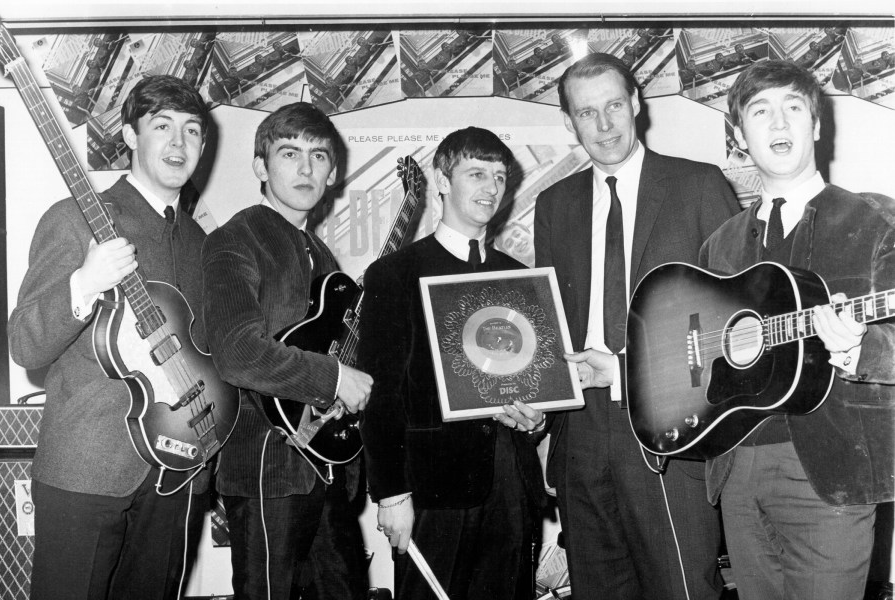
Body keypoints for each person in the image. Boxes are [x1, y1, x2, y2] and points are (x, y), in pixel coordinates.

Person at [532, 53, 740, 599]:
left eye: (614, 107)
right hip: (579, 436)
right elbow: (549, 326)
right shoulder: (554, 204)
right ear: (569, 123)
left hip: (669, 428)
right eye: (586, 114)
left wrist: (625, 373)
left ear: (637, 104)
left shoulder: (698, 186)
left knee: (681, 590)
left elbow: (732, 322)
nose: (603, 127)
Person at [9, 74, 212, 599]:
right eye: (161, 126)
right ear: (128, 135)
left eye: (192, 131)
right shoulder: (76, 218)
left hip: (176, 471)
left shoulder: (199, 241)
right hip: (86, 470)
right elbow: (25, 345)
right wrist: (84, 284)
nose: (178, 143)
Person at [698, 59, 895, 600]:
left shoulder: (874, 222)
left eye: (793, 108)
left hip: (831, 472)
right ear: (739, 135)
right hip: (736, 470)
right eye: (760, 112)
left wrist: (861, 350)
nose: (779, 124)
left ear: (815, 124)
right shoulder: (720, 245)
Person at [358, 126, 547, 600]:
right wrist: (391, 494)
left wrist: (537, 419)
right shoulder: (394, 274)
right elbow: (380, 394)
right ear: (442, 180)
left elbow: (536, 383)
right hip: (431, 491)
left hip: (511, 485)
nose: (490, 189)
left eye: (500, 177)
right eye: (476, 174)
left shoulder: (521, 278)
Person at [201, 102, 373, 599]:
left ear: (333, 172)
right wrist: (335, 378)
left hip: (326, 467)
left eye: (318, 156)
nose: (305, 168)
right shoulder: (236, 239)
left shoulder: (320, 253)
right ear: (261, 166)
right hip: (265, 468)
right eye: (289, 153)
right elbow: (236, 352)